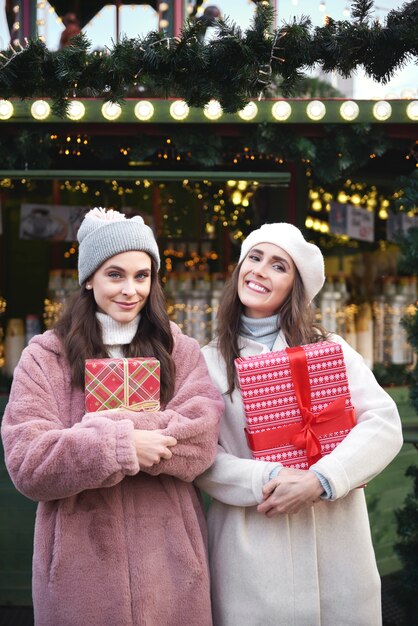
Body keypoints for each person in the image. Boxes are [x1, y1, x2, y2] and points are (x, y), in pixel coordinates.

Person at [1, 207, 224, 626]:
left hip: (172, 563)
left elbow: (200, 439)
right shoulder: (44, 357)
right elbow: (28, 462)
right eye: (115, 274)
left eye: (142, 276)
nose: (130, 290)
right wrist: (118, 448)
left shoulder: (179, 349)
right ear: (89, 279)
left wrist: (110, 433)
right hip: (78, 570)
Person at [196, 222, 403, 626]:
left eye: (278, 266)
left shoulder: (331, 349)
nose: (259, 271)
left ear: (295, 286)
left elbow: (384, 422)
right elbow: (203, 458)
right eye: (253, 258)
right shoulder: (206, 362)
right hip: (253, 555)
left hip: (338, 551)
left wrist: (321, 479)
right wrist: (268, 478)